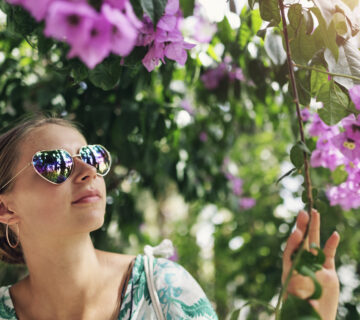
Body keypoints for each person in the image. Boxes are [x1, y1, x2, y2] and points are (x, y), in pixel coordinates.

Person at [0, 115, 340, 319]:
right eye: (54, 164)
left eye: (91, 156)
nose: (88, 170)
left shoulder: (163, 290)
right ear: (6, 208)